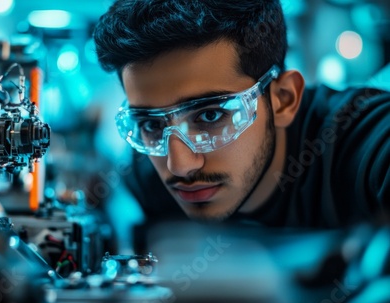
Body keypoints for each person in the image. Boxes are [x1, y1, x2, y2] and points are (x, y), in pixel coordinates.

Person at [93, 0, 390, 228]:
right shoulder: (149, 177)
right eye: (151, 123)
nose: (179, 166)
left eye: (210, 116)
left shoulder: (368, 142)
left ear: (283, 99)